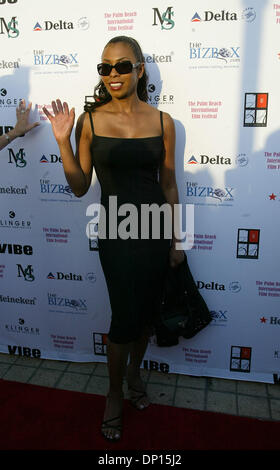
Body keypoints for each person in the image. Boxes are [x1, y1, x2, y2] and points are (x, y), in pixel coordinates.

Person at [43, 35, 184, 441]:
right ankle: (113, 394)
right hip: (117, 231)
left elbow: (170, 184)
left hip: (155, 231)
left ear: (140, 69)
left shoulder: (162, 122)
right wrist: (62, 141)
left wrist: (176, 242)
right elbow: (78, 185)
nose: (113, 75)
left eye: (123, 66)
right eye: (105, 67)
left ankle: (135, 377)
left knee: (142, 318)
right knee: (123, 317)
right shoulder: (90, 121)